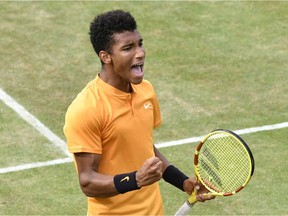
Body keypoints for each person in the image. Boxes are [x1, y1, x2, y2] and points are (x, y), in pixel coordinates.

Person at [63, 9, 214, 215]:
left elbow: (144, 148)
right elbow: (88, 182)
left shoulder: (146, 91)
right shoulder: (86, 109)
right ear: (106, 56)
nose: (140, 53)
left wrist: (183, 182)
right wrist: (136, 179)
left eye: (140, 44)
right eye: (128, 48)